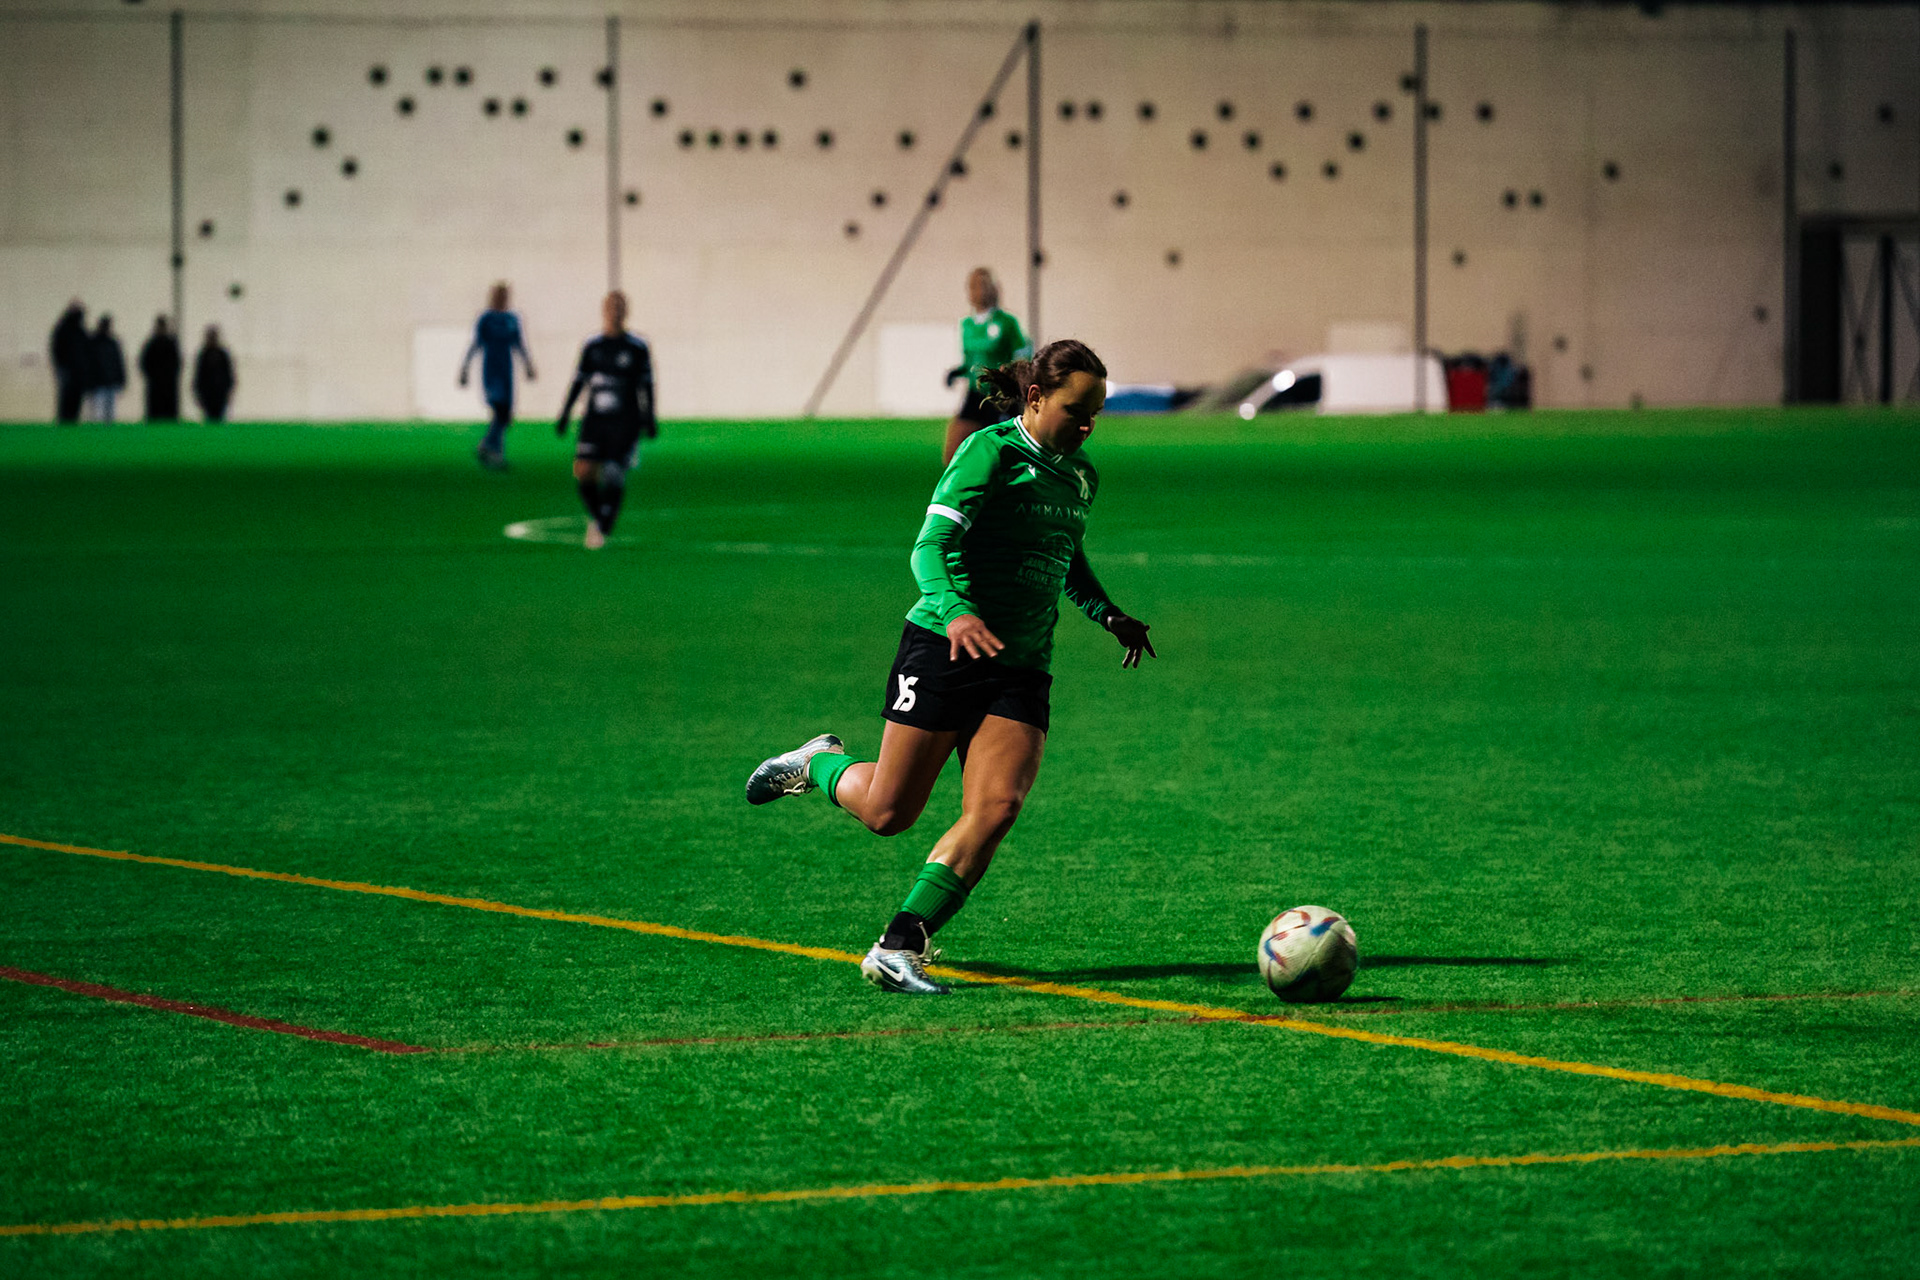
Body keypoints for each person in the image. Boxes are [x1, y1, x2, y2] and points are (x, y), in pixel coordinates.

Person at [744, 339, 1156, 994]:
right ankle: (815, 763)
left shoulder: (1081, 477)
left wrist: (1106, 614)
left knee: (996, 807)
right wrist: (956, 611)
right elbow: (930, 546)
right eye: (1077, 409)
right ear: (1035, 397)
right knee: (889, 812)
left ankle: (900, 943)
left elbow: (1064, 555)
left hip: (1021, 665)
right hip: (943, 646)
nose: (1087, 425)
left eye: (1097, 413)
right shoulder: (988, 452)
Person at [555, 291, 655, 550]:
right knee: (583, 470)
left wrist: (649, 416)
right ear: (604, 310)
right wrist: (565, 413)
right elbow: (580, 380)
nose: (616, 311)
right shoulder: (593, 345)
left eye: (620, 307)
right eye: (612, 307)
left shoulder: (637, 347)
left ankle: (603, 523)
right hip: (595, 420)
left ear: (627, 311)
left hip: (625, 421)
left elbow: (646, 385)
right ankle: (599, 517)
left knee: (612, 474)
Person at [941, 267, 1029, 466]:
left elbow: (1023, 353)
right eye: (974, 285)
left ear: (994, 289)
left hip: (1000, 396)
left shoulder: (1007, 323)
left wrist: (1012, 374)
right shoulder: (967, 325)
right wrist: (958, 372)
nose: (979, 290)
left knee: (1005, 454)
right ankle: (965, 490)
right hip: (975, 393)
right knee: (953, 451)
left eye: (984, 284)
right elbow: (971, 360)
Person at [459, 282, 536, 469]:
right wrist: (465, 368)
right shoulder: (486, 319)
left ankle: (490, 449)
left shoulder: (512, 319)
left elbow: (518, 343)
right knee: (499, 410)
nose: (502, 299)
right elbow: (476, 343)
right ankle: (492, 450)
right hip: (491, 370)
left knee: (505, 416)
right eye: (499, 295)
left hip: (506, 370)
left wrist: (527, 364)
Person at [49, 301, 87, 424]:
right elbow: (57, 350)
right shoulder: (63, 329)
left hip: (78, 372)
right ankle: (64, 421)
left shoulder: (80, 331)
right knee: (66, 397)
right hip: (66, 370)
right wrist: (61, 366)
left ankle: (72, 421)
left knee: (76, 398)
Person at [138, 315, 182, 422]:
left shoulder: (169, 343)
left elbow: (177, 363)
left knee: (168, 413)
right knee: (156, 413)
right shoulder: (153, 343)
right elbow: (144, 363)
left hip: (167, 384)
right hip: (156, 383)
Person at [84, 315, 127, 423]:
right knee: (98, 413)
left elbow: (118, 363)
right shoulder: (96, 343)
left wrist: (121, 379)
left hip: (109, 382)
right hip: (98, 383)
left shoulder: (111, 343)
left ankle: (106, 436)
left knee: (108, 413)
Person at [192, 325, 235, 422]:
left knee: (219, 417)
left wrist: (228, 390)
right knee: (209, 417)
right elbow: (199, 376)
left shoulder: (222, 354)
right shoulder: (203, 355)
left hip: (220, 393)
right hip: (207, 394)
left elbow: (228, 374)